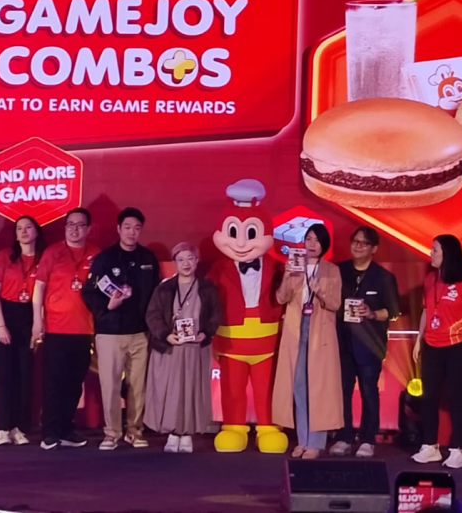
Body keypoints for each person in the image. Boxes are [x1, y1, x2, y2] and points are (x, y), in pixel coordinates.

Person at [206, 179, 287, 454]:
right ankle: (233, 427)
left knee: (267, 389)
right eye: (233, 233)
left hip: (267, 344)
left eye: (251, 233)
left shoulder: (277, 267)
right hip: (230, 343)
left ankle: (269, 427)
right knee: (232, 389)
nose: (241, 243)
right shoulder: (218, 269)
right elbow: (206, 303)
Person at [83, 207, 160, 451]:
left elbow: (156, 296)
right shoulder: (104, 259)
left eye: (136, 228)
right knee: (110, 386)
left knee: (138, 387)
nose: (131, 232)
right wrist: (108, 305)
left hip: (140, 333)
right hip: (110, 333)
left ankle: (134, 431)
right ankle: (112, 433)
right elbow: (88, 292)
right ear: (118, 229)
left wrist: (154, 326)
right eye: (127, 227)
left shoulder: (148, 259)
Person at [273, 224, 343, 460]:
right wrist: (286, 275)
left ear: (324, 244)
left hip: (319, 332)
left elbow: (335, 304)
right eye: (308, 239)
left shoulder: (332, 270)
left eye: (317, 240)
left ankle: (316, 442)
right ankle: (303, 440)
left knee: (318, 387)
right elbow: (281, 298)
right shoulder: (295, 266)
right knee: (298, 386)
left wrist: (319, 290)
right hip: (296, 329)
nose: (312, 244)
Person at [144, 242, 222, 453]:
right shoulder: (164, 288)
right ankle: (172, 433)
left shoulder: (207, 288)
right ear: (175, 263)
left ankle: (187, 433)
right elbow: (152, 316)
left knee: (191, 390)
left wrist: (206, 333)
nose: (186, 263)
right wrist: (166, 335)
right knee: (170, 391)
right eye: (180, 260)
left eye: (190, 258)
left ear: (196, 261)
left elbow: (215, 315)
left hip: (195, 349)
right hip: (170, 348)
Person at [331, 226, 400, 459]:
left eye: (364, 243)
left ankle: (368, 439)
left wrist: (371, 313)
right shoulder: (338, 270)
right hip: (342, 341)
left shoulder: (383, 277)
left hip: (369, 345)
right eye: (355, 241)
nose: (358, 246)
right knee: (342, 391)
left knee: (369, 392)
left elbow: (393, 311)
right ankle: (343, 436)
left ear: (374, 248)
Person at [32, 207, 98, 451]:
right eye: (70, 224)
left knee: (74, 383)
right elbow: (39, 288)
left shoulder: (96, 255)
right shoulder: (53, 252)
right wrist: (37, 321)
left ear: (88, 229)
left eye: (80, 225)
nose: (74, 229)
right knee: (54, 382)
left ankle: (66, 429)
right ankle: (50, 432)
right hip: (56, 329)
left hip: (84, 330)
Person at [411, 235, 462, 469]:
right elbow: (426, 310)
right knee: (428, 397)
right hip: (432, 345)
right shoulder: (430, 279)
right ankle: (430, 446)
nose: (430, 254)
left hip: (458, 346)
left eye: (435, 250)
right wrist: (419, 339)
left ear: (448, 254)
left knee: (457, 398)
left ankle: (458, 449)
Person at [0, 216, 45, 446]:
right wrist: (1, 325)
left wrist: (38, 323)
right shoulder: (5, 256)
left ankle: (19, 428)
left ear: (36, 231)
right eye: (19, 228)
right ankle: (3, 428)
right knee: (2, 374)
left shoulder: (44, 258)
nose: (23, 232)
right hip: (3, 314)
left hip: (28, 315)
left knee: (24, 374)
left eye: (28, 227)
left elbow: (43, 294)